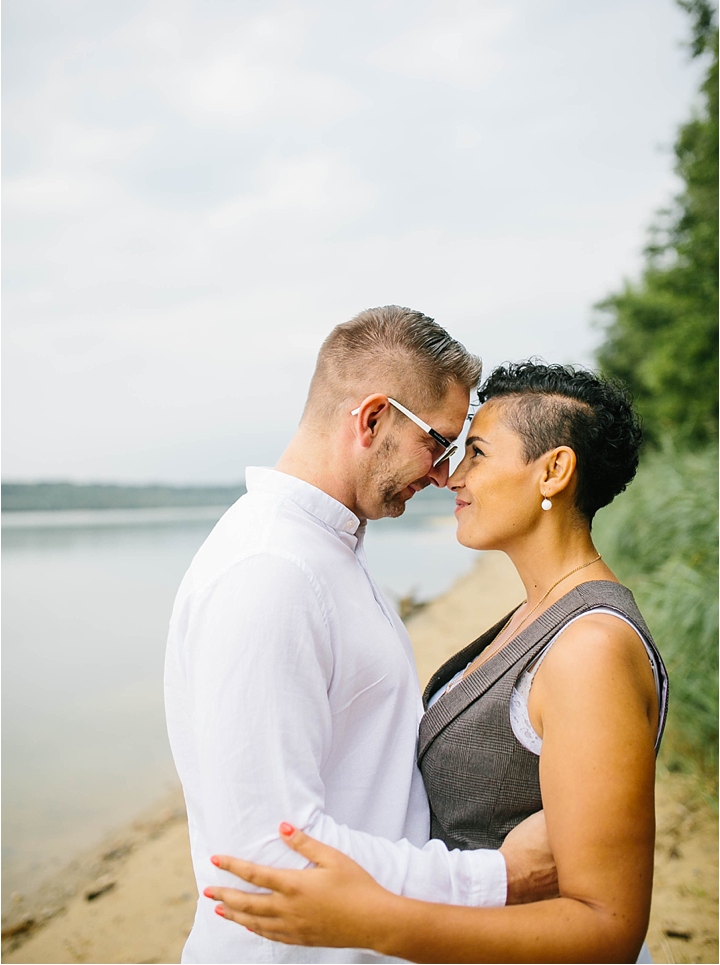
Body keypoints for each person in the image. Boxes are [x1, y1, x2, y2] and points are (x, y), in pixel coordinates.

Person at [205, 362, 669, 965]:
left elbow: (608, 930)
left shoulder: (591, 649)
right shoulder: (534, 615)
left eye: (475, 452)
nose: (449, 475)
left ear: (553, 471)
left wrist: (379, 924)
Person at [164, 311, 556, 965]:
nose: (443, 475)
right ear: (372, 418)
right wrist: (498, 877)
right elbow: (267, 851)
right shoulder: (271, 571)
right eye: (438, 442)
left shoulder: (327, 550)